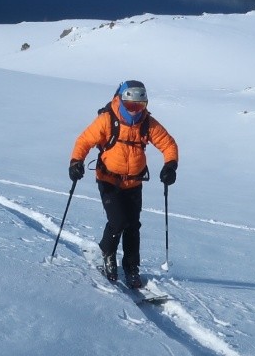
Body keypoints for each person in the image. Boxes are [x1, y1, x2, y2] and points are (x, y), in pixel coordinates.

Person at [69, 80, 179, 289]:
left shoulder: (147, 123)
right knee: (118, 221)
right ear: (121, 101)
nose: (136, 111)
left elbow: (168, 144)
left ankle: (131, 267)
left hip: (134, 183)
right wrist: (76, 162)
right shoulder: (107, 120)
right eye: (131, 106)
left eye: (140, 106)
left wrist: (170, 166)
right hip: (109, 180)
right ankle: (108, 253)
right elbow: (84, 141)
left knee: (133, 226)